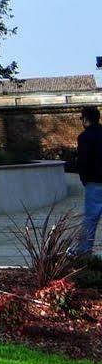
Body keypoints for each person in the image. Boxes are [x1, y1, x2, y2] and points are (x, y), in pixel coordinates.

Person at [76, 105, 102, 259]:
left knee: (90, 219)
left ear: (86, 119)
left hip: (94, 182)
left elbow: (83, 162)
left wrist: (84, 179)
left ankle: (84, 254)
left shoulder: (84, 137)